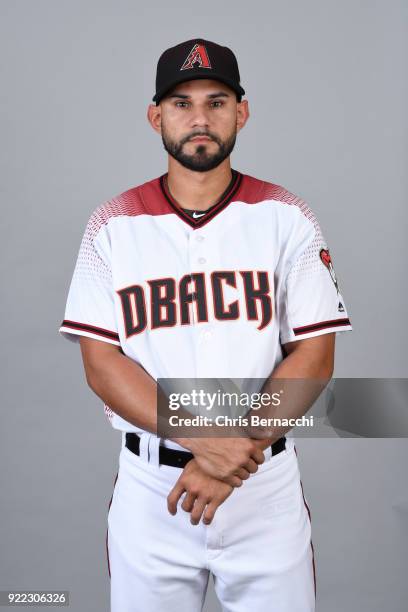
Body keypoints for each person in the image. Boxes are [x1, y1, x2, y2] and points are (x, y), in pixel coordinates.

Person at [59, 38, 353, 612]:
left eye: (217, 102)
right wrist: (205, 442)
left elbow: (314, 357)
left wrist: (232, 455)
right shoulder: (112, 224)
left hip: (261, 489)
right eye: (180, 102)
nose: (200, 117)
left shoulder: (287, 216)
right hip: (152, 495)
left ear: (241, 112)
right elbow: (102, 363)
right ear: (155, 116)